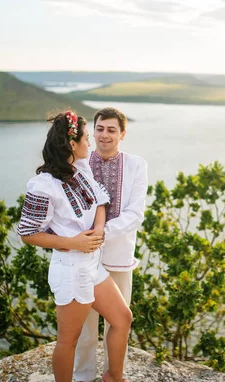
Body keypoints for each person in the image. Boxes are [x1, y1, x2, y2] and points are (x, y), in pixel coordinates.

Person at [17, 111, 132, 382]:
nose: (91, 143)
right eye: (87, 138)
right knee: (68, 341)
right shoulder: (42, 185)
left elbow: (100, 201)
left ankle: (113, 377)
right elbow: (28, 233)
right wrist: (73, 242)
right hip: (70, 270)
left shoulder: (80, 169)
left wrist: (99, 229)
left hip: (92, 266)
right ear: (72, 144)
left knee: (122, 318)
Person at [74, 107, 148, 382]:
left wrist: (101, 234)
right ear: (93, 132)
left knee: (118, 323)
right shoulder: (77, 164)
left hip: (118, 256)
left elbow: (135, 213)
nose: (105, 135)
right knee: (84, 329)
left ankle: (113, 375)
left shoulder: (136, 165)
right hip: (82, 257)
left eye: (112, 130)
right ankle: (83, 377)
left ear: (123, 134)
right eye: (100, 129)